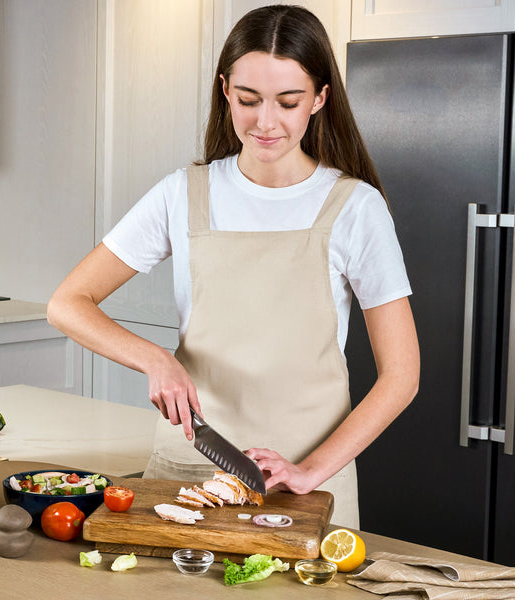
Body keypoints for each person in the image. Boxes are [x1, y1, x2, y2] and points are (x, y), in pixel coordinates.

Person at [47, 4, 419, 528]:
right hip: (189, 467)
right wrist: (155, 360)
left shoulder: (356, 208)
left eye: (288, 102)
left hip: (311, 479)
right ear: (225, 91)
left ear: (319, 99)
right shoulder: (183, 193)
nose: (265, 122)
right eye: (248, 100)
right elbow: (67, 304)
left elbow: (401, 376)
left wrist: (312, 470)